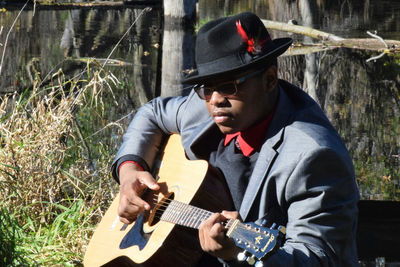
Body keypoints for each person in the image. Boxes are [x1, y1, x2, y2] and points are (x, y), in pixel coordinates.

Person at [112, 12, 359, 266]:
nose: (216, 99)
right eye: (207, 87)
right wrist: (130, 171)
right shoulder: (207, 107)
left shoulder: (313, 155)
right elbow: (151, 113)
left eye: (230, 85)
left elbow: (316, 257)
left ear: (270, 80)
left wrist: (236, 255)